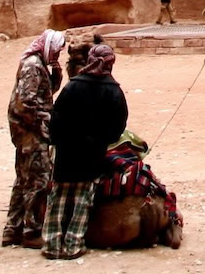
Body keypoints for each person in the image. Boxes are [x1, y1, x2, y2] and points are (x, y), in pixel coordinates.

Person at [44, 42, 129, 260]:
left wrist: (58, 140)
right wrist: (100, 140)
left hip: (66, 152)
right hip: (92, 155)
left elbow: (56, 117)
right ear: (110, 63)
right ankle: (73, 244)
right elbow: (117, 128)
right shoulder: (114, 91)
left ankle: (52, 244)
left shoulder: (72, 86)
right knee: (83, 199)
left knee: (59, 196)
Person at [1, 30, 66, 248]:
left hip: (26, 132)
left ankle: (13, 229)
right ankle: (32, 231)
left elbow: (43, 94)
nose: (58, 55)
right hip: (31, 133)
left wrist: (55, 76)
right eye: (57, 50)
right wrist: (42, 126)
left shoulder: (39, 65)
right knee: (39, 179)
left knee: (23, 178)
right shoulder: (33, 66)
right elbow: (25, 103)